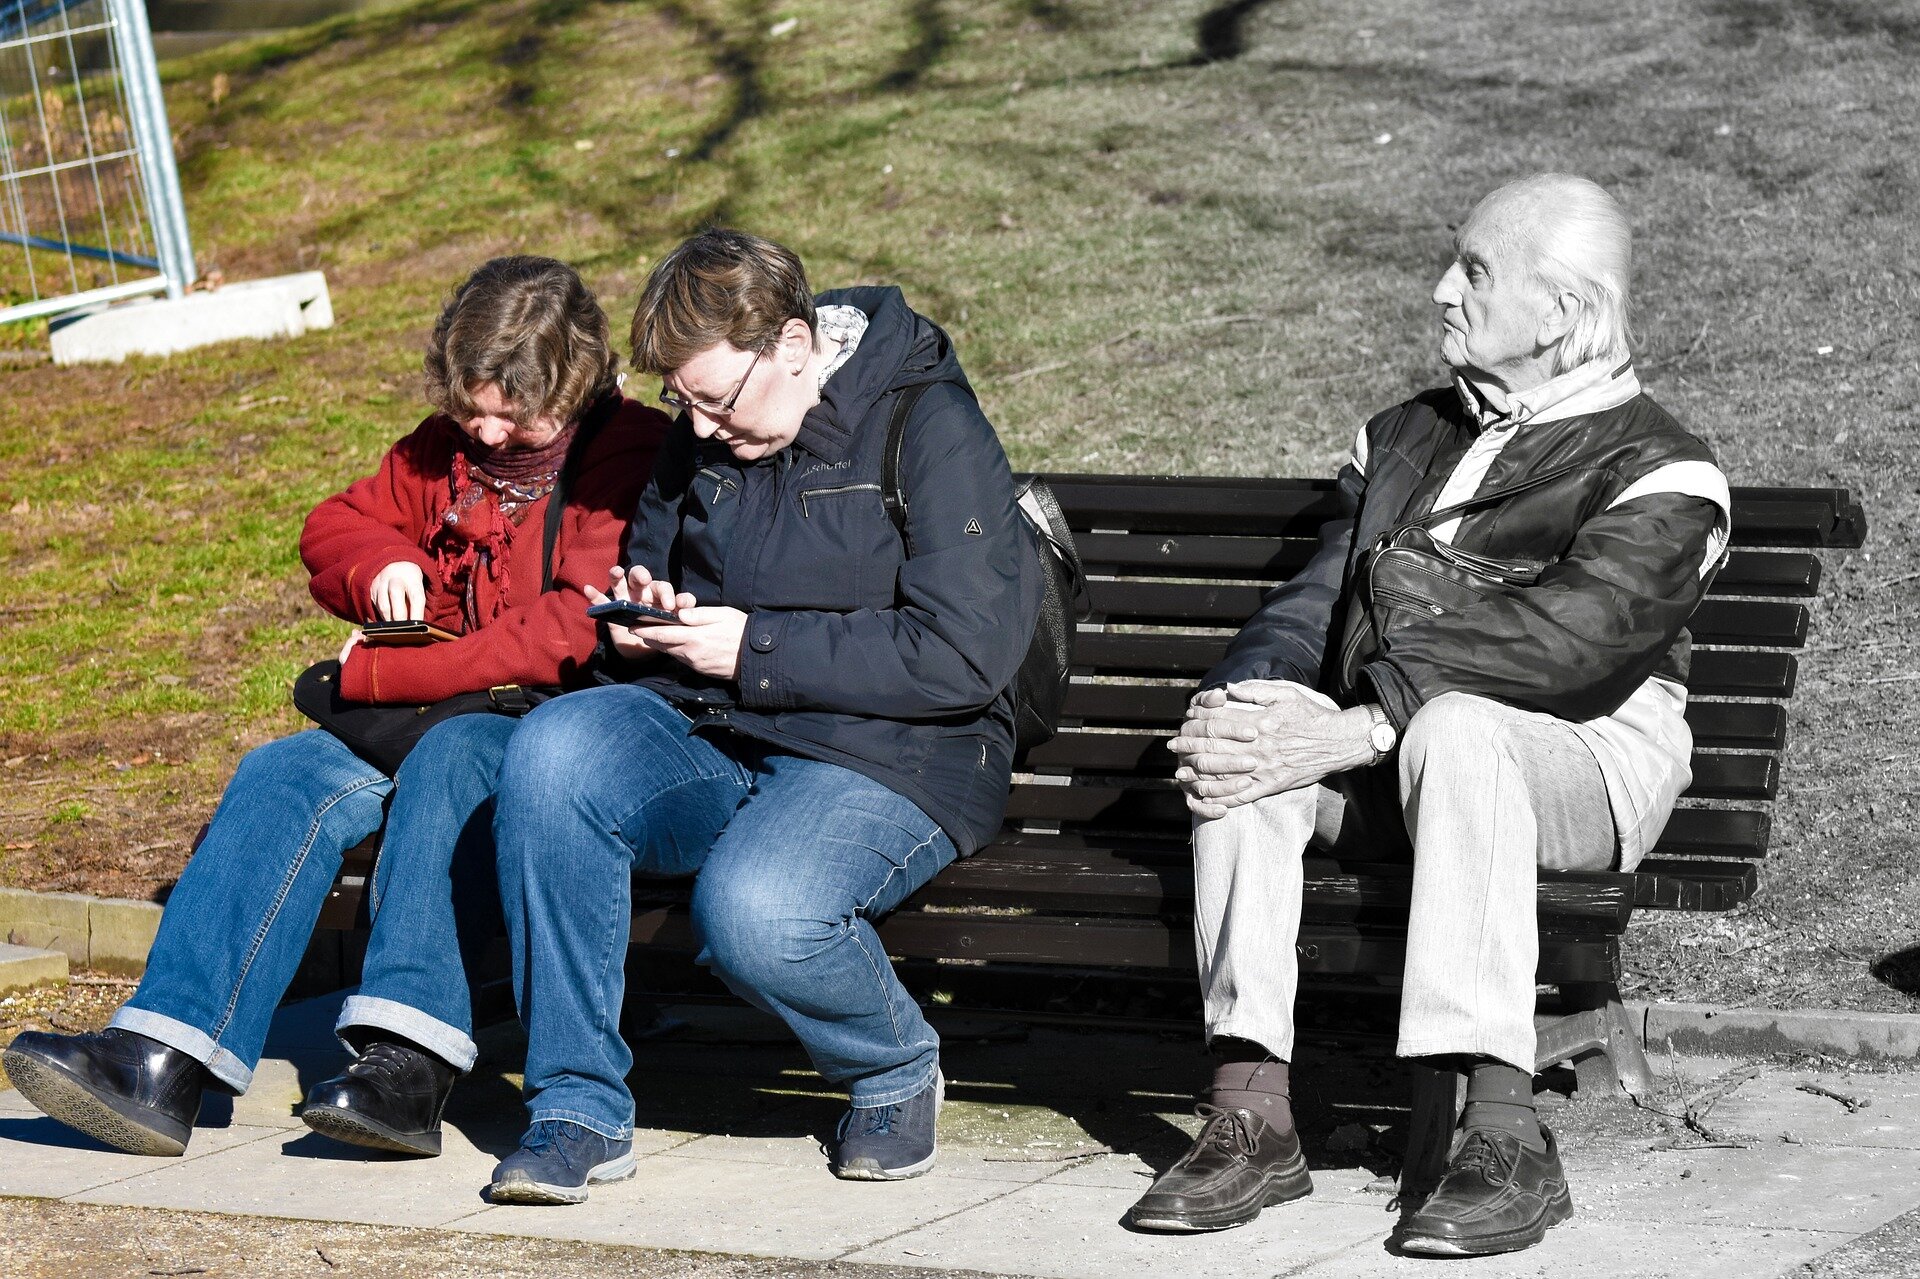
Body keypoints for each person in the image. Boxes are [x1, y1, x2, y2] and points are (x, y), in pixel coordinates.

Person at [1124, 175, 1731, 1256]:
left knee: (1456, 728)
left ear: (1560, 314)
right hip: (1407, 754)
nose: (1442, 288)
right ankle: (1250, 1109)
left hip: (1584, 759)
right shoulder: (1406, 434)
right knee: (1254, 741)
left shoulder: (1664, 469)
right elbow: (1315, 597)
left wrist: (1367, 725)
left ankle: (1504, 1134)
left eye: (1477, 272)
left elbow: (1568, 644)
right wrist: (1250, 699)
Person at [3, 256, 669, 1160]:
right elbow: (332, 523)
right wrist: (379, 563)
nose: (484, 427)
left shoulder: (625, 450)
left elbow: (570, 625)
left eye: (512, 410)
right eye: (471, 403)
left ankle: (408, 1063)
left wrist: (393, 678)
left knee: (455, 754)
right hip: (430, 710)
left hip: (546, 725)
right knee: (281, 771)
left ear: (572, 381)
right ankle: (163, 1054)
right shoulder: (446, 449)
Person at [476, 228, 1040, 1204]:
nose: (697, 426)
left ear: (792, 344)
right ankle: (575, 1105)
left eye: (716, 399)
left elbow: (964, 655)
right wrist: (647, 620)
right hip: (718, 724)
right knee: (553, 749)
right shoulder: (705, 436)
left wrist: (750, 645)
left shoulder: (928, 424)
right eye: (679, 401)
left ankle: (894, 1064)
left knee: (756, 907)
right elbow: (654, 575)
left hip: (893, 748)